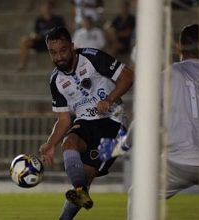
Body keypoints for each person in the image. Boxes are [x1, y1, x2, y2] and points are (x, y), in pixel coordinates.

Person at [99, 24, 199, 214]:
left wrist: (122, 145)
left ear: (178, 48)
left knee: (139, 195)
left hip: (179, 162)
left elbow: (146, 120)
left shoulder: (168, 76)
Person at [38, 27, 134, 220]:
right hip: (85, 122)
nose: (59, 57)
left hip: (114, 122)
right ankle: (80, 191)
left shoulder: (92, 57)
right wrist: (50, 144)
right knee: (69, 144)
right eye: (53, 52)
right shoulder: (55, 79)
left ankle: (79, 192)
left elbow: (129, 76)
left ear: (72, 47)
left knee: (85, 178)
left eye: (63, 50)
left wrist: (109, 98)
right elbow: (64, 119)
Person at [17, 1, 65, 71]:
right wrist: (34, 36)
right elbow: (36, 32)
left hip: (52, 43)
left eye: (47, 7)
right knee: (24, 40)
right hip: (41, 42)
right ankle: (22, 65)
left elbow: (62, 32)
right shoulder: (39, 20)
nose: (45, 9)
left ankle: (57, 68)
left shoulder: (58, 19)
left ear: (51, 8)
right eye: (43, 7)